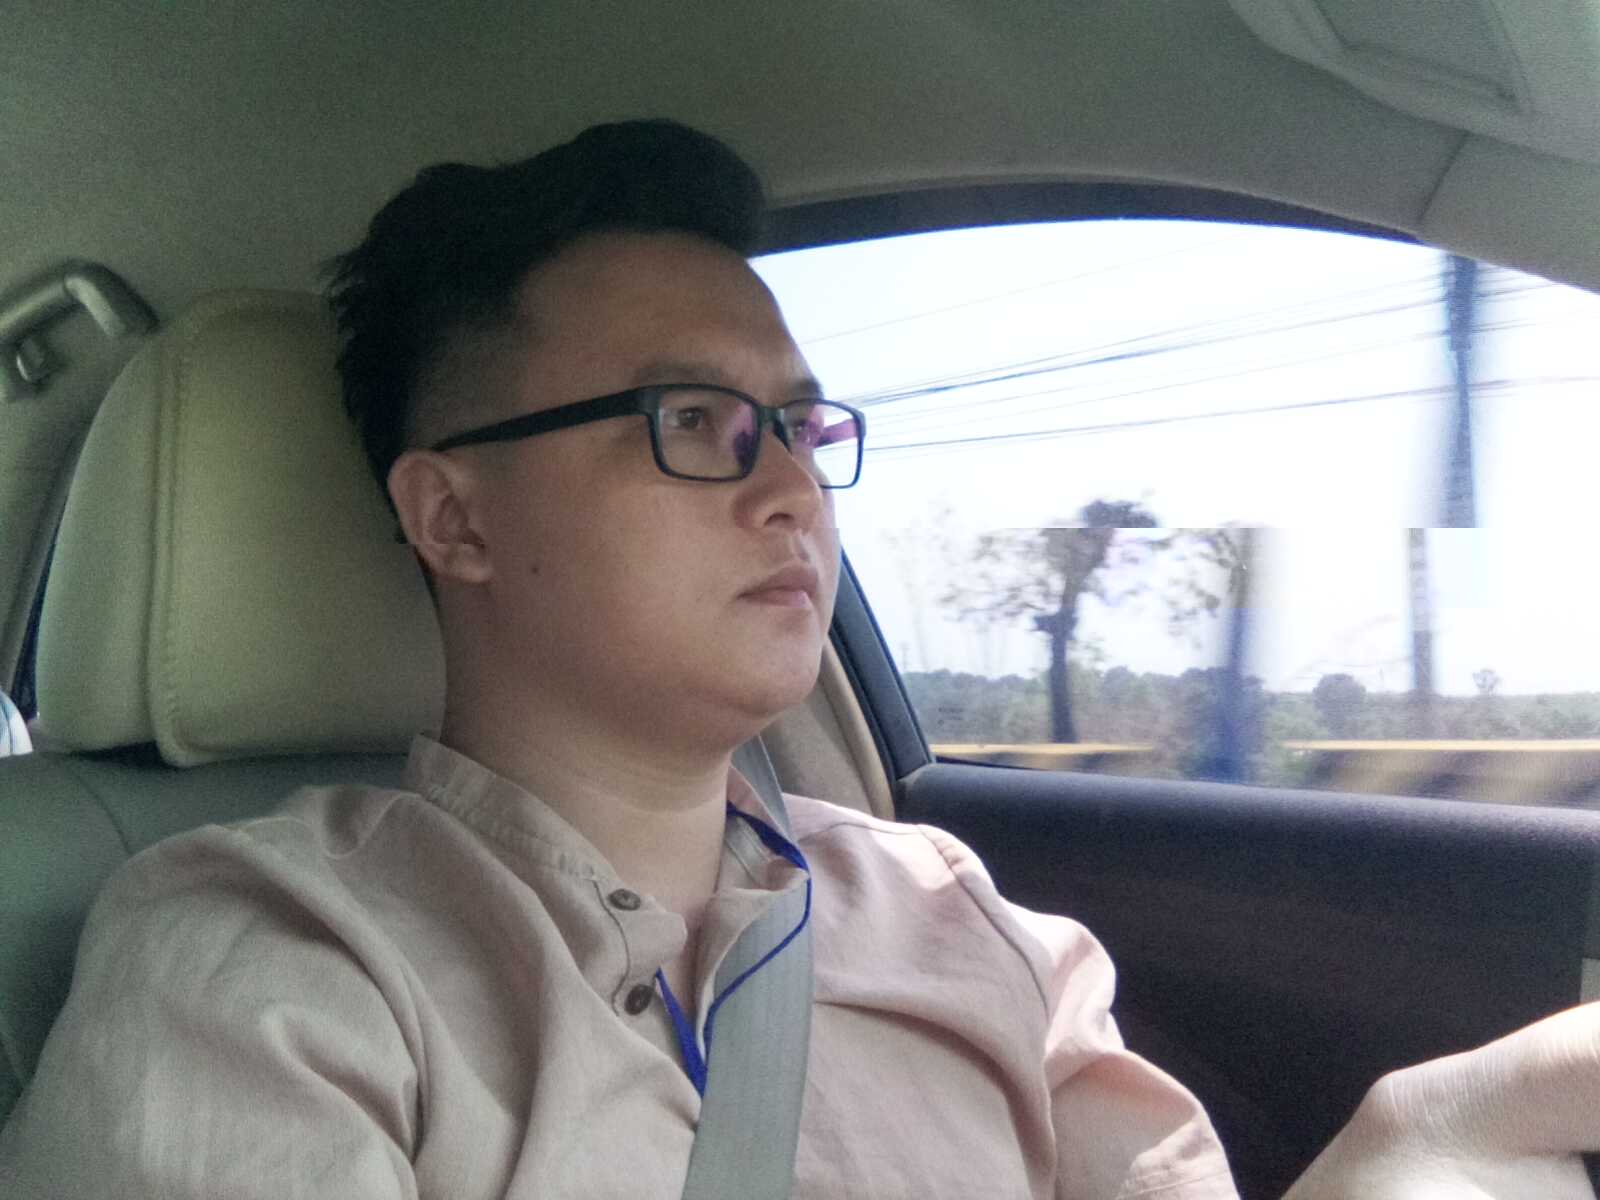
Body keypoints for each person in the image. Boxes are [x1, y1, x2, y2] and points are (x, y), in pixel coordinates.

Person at [0, 118, 1595, 1200]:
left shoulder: (958, 916)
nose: (791, 489)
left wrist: (1418, 1142)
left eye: (801, 424)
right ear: (455, 519)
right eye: (691, 419)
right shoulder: (277, 970)